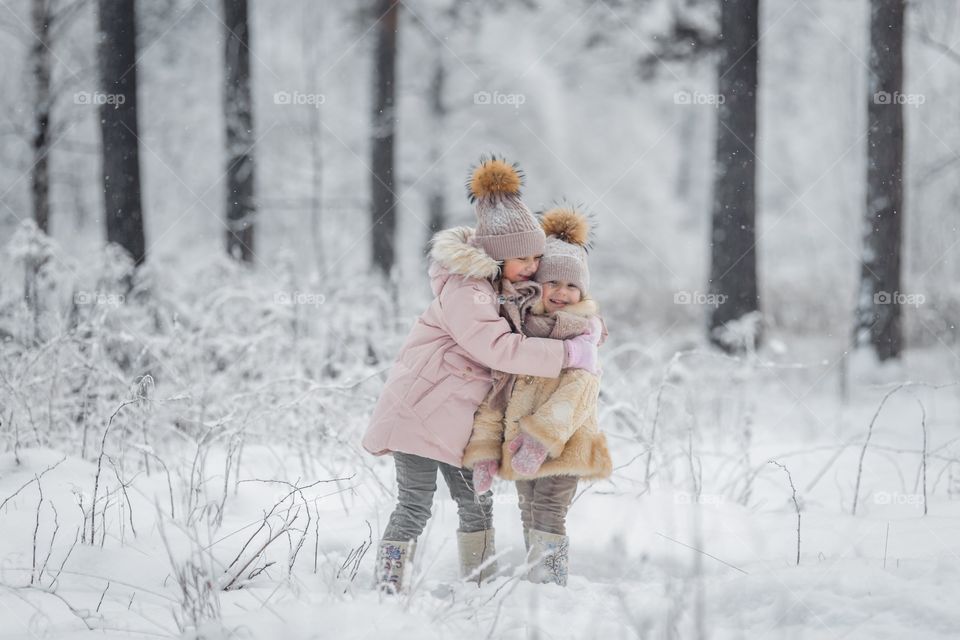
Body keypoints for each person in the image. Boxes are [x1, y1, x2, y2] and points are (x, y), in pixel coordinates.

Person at [362, 158, 601, 592]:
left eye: (535, 257)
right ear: (495, 256)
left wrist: (586, 325)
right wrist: (568, 352)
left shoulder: (500, 290)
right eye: (521, 258)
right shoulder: (466, 291)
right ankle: (387, 583)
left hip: (460, 423)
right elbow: (500, 348)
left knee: (477, 504)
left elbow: (547, 313)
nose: (531, 266)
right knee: (414, 505)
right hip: (419, 414)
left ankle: (479, 583)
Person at [462, 205, 612, 586]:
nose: (563, 293)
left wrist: (540, 438)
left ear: (583, 291)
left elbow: (578, 392)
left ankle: (551, 583)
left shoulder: (583, 336)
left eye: (572, 286)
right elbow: (498, 395)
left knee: (548, 508)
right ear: (537, 286)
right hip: (518, 445)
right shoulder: (520, 334)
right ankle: (537, 581)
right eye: (554, 284)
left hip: (565, 443)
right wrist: (483, 451)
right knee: (528, 508)